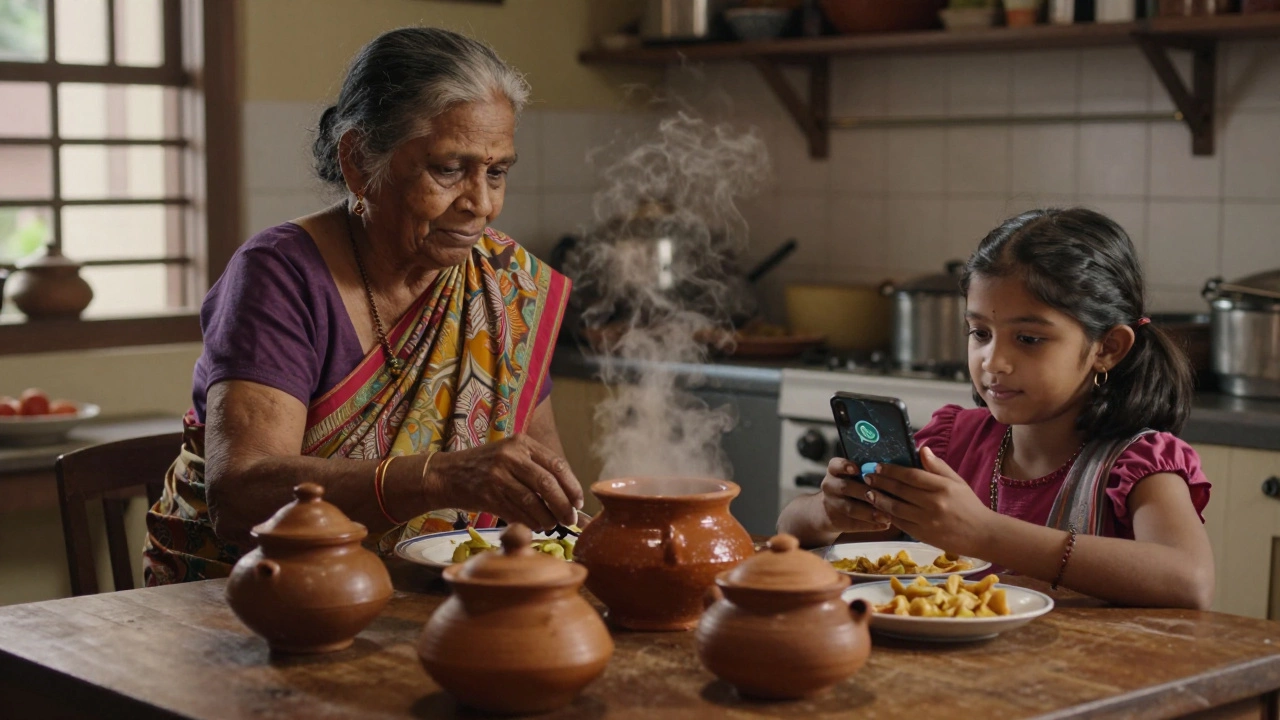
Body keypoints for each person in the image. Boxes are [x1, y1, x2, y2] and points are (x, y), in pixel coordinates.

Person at [144, 28, 581, 585]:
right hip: (252, 599)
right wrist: (439, 477)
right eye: (449, 169)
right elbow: (242, 494)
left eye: (496, 172)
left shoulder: (504, 285)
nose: (482, 205)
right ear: (357, 161)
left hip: (426, 604)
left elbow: (543, 493)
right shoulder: (281, 275)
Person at [777, 208, 1214, 609]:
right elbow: (791, 535)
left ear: (1108, 348)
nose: (993, 362)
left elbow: (1188, 580)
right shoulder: (949, 445)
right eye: (980, 333)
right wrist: (827, 513)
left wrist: (985, 533)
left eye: (1028, 339)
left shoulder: (1136, 464)